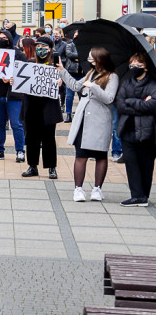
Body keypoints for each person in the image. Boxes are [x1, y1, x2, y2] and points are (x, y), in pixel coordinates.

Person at [56, 45, 116, 200]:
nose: (89, 58)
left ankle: (97, 189)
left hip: (100, 121)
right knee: (80, 155)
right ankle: (78, 189)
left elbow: (109, 98)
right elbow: (76, 85)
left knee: (100, 155)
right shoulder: (90, 73)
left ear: (99, 59)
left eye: (91, 56)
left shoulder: (112, 76)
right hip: (84, 119)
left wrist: (94, 87)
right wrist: (63, 71)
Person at [116, 54, 156, 206]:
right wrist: (140, 103)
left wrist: (131, 102)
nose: (133, 68)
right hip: (128, 129)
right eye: (131, 64)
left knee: (146, 165)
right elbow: (120, 105)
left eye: (137, 65)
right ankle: (137, 195)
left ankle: (143, 195)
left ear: (145, 67)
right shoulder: (126, 83)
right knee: (131, 164)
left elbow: (153, 105)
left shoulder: (153, 84)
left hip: (148, 132)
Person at [20, 36, 63, 179]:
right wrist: (15, 80)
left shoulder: (54, 65)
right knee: (31, 137)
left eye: (43, 47)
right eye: (37, 46)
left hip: (48, 107)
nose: (40, 49)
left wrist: (60, 81)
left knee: (49, 138)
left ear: (50, 49)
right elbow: (22, 82)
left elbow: (64, 81)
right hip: (32, 105)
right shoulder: (30, 63)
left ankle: (52, 167)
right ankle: (32, 166)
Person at [0, 30, 27, 161]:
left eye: (5, 38)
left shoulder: (19, 54)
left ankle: (20, 151)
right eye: (0, 38)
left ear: (10, 39)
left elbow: (24, 74)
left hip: (14, 96)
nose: (2, 40)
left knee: (16, 124)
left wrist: (12, 78)